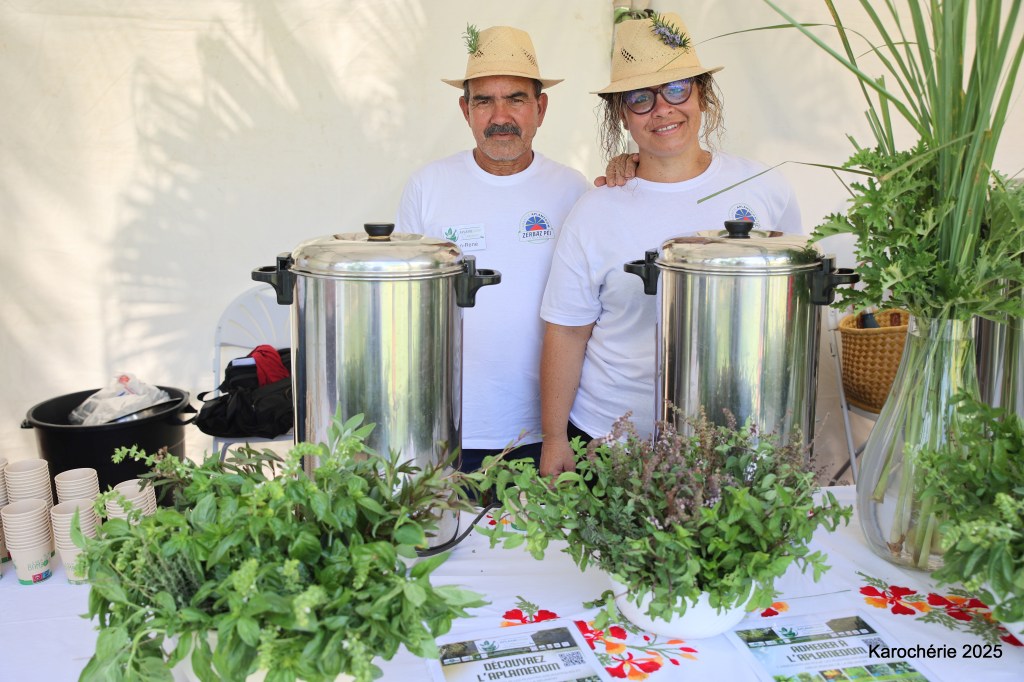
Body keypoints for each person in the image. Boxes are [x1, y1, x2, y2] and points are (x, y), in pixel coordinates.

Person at [538, 12, 803, 476]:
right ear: (622, 113)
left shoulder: (763, 188)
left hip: (737, 437)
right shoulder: (595, 210)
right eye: (640, 98)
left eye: (677, 88)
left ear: (703, 95)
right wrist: (556, 437)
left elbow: (792, 311)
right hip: (610, 442)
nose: (662, 109)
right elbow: (567, 330)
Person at [397, 25, 588, 472]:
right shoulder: (428, 186)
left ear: (541, 108)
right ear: (465, 110)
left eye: (516, 98)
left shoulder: (573, 190)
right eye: (484, 100)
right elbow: (406, 309)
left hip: (549, 430)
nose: (500, 116)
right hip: (450, 426)